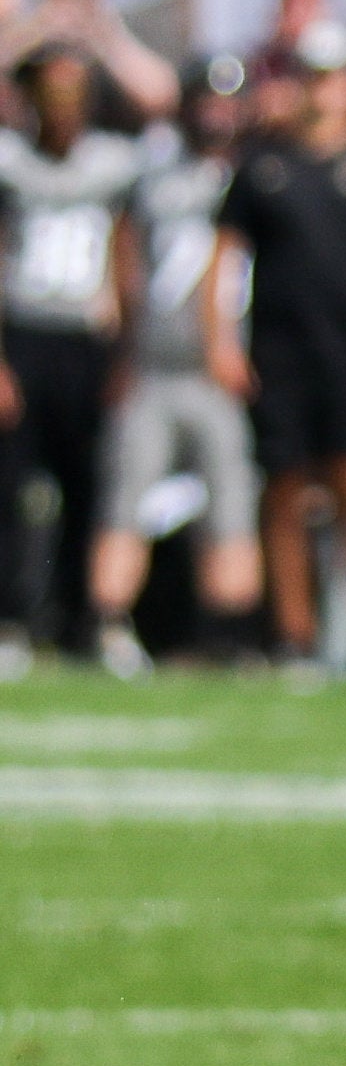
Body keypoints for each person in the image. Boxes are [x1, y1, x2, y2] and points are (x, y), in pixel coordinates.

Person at [217, 26, 346, 675]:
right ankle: (293, 634)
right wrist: (220, 340)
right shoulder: (263, 169)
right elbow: (224, 261)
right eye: (310, 76)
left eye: (331, 77)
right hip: (280, 352)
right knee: (282, 491)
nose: (320, 91)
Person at [87, 55, 263, 669]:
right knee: (125, 497)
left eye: (228, 101)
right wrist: (123, 345)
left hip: (221, 376)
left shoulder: (255, 177)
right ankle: (107, 624)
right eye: (208, 100)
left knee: (231, 503)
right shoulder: (153, 173)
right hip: (155, 366)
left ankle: (227, 635)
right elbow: (124, 252)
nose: (217, 114)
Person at [0, 33, 145, 659]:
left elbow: (125, 253)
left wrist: (124, 352)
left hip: (86, 338)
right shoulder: (10, 160)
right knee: (11, 486)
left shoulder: (112, 162)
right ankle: (10, 617)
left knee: (86, 483)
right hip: (23, 332)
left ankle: (77, 617)